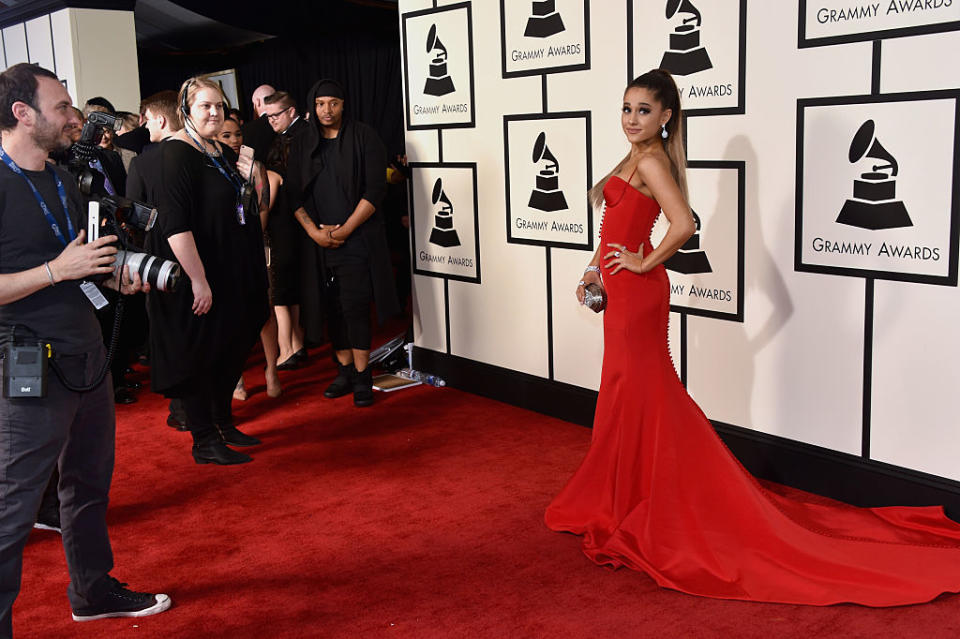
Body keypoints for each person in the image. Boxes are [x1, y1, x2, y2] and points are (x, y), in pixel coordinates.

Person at [544, 69, 960, 606]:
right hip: (620, 295)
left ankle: (658, 496)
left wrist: (643, 262)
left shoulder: (650, 160)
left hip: (638, 299)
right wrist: (596, 270)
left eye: (643, 110)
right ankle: (631, 492)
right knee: (630, 392)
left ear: (666, 116)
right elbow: (613, 235)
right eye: (626, 108)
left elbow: (684, 224)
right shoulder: (632, 157)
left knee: (645, 391)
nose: (631, 119)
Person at [0, 63, 170, 637]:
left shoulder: (64, 179)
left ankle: (92, 592)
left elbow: (82, 265)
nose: (75, 116)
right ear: (22, 114)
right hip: (27, 365)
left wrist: (116, 275)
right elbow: (56, 268)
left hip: (88, 356)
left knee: (88, 485)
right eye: (62, 107)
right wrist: (55, 270)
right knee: (12, 510)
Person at [146, 76, 269, 465]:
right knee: (201, 354)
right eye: (205, 106)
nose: (215, 112)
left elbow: (250, 205)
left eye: (219, 105)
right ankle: (203, 439)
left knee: (230, 348)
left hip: (234, 268)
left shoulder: (220, 150)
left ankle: (222, 422)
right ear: (186, 110)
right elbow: (174, 225)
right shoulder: (176, 154)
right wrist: (198, 280)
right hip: (199, 272)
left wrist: (254, 177)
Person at [287, 79, 400, 407]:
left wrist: (345, 230)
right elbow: (293, 195)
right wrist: (314, 232)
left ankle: (363, 376)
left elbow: (375, 191)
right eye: (320, 103)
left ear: (343, 104)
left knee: (354, 306)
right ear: (312, 106)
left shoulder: (365, 137)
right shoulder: (303, 143)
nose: (326, 110)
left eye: (333, 103)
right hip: (317, 243)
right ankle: (345, 370)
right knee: (330, 309)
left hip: (357, 239)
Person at [126, 90, 188, 429]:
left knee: (170, 335)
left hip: (163, 262)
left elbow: (133, 220)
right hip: (202, 260)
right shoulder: (204, 155)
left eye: (146, 120)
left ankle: (182, 412)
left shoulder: (144, 162)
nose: (143, 126)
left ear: (160, 120)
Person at [261, 91, 307, 371]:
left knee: (279, 288)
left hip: (284, 221)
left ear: (291, 111)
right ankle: (296, 343)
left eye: (275, 115)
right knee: (287, 287)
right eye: (267, 117)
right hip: (291, 222)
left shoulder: (299, 137)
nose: (271, 121)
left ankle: (289, 349)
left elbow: (277, 182)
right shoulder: (288, 137)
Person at [240, 84, 276, 163]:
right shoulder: (285, 123)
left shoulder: (246, 130)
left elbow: (245, 163)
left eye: (253, 104)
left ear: (257, 102)